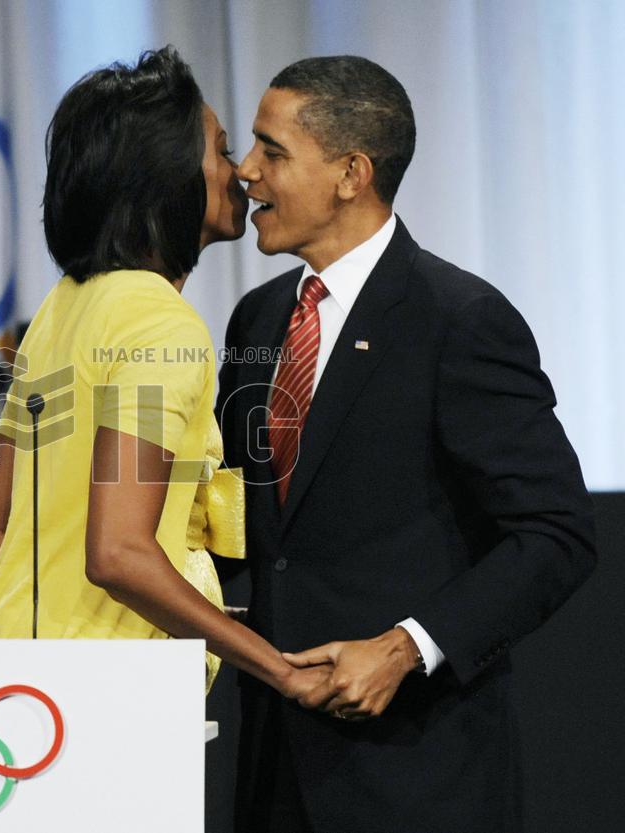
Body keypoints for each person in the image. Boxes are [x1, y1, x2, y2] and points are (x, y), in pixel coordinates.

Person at [217, 55, 597, 832]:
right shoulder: (256, 321)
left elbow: (556, 532)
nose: (246, 172)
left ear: (352, 172)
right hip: (272, 767)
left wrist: (404, 647)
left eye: (272, 150)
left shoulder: (458, 319)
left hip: (415, 776)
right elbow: (242, 525)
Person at [0, 47, 328, 700]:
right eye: (224, 153)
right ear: (168, 177)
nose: (244, 174)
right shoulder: (158, 322)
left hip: (3, 674)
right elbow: (118, 554)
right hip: (97, 692)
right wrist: (279, 667)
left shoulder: (65, 304)